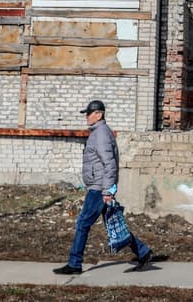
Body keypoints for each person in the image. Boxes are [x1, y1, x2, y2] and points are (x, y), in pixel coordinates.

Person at [53, 99, 156, 275]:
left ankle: (75, 263)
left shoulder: (100, 134)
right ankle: (143, 252)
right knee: (113, 223)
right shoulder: (99, 132)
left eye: (89, 113)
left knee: (82, 224)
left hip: (99, 189)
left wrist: (108, 190)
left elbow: (109, 163)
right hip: (100, 186)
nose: (86, 116)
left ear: (99, 114)